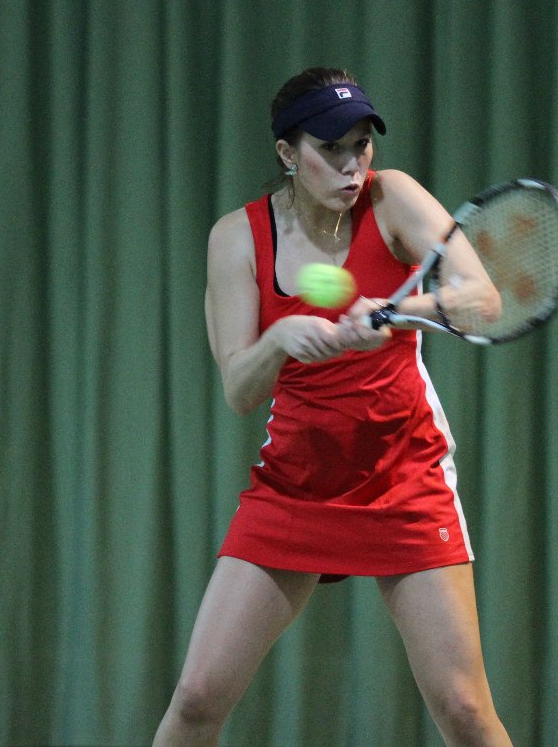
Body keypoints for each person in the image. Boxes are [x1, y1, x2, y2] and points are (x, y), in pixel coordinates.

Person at [153, 68, 511, 746]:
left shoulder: (394, 197)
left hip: (405, 477)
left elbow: (483, 297)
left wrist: (398, 310)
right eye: (330, 149)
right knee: (198, 700)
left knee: (464, 710)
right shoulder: (236, 238)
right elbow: (239, 389)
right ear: (288, 154)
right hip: (296, 484)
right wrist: (281, 340)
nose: (352, 166)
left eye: (361, 146)